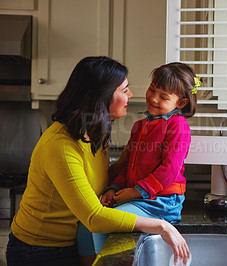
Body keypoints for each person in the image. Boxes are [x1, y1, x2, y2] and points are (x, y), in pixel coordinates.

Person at [6, 56, 190, 266]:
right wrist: (161, 226)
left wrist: (118, 179)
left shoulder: (94, 132)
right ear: (101, 97)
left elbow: (98, 178)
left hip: (69, 243)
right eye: (124, 89)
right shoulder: (61, 146)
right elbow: (93, 217)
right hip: (39, 250)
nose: (131, 94)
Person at [80, 62, 199, 257]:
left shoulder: (178, 126)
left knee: (105, 223)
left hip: (162, 202)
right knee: (86, 226)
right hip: (139, 198)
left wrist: (136, 192)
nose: (153, 98)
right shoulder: (139, 126)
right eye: (152, 89)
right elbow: (129, 166)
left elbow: (168, 170)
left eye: (163, 97)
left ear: (181, 103)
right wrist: (115, 189)